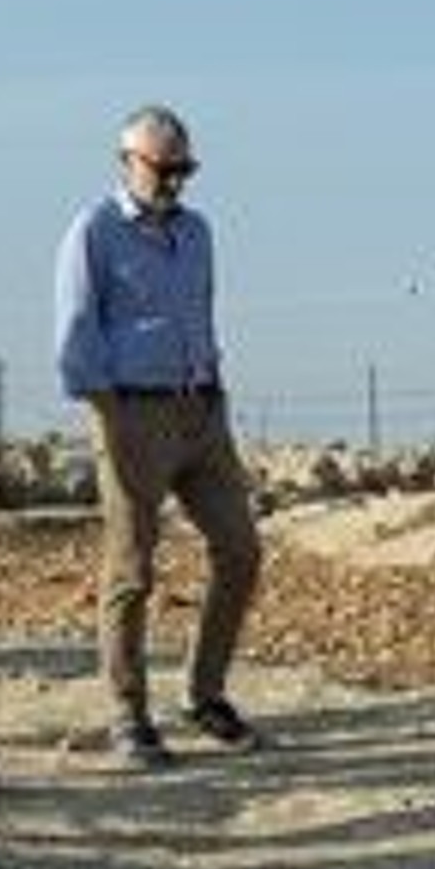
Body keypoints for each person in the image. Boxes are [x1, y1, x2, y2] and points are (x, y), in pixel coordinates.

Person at [51, 105, 263, 767]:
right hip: (133, 414)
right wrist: (110, 414)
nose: (175, 182)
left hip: (202, 411)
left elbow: (202, 311)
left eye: (185, 169)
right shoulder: (94, 230)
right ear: (127, 162)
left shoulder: (198, 231)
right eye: (163, 169)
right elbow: (76, 334)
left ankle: (204, 694)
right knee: (133, 569)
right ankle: (127, 713)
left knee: (241, 549)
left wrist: (214, 389)